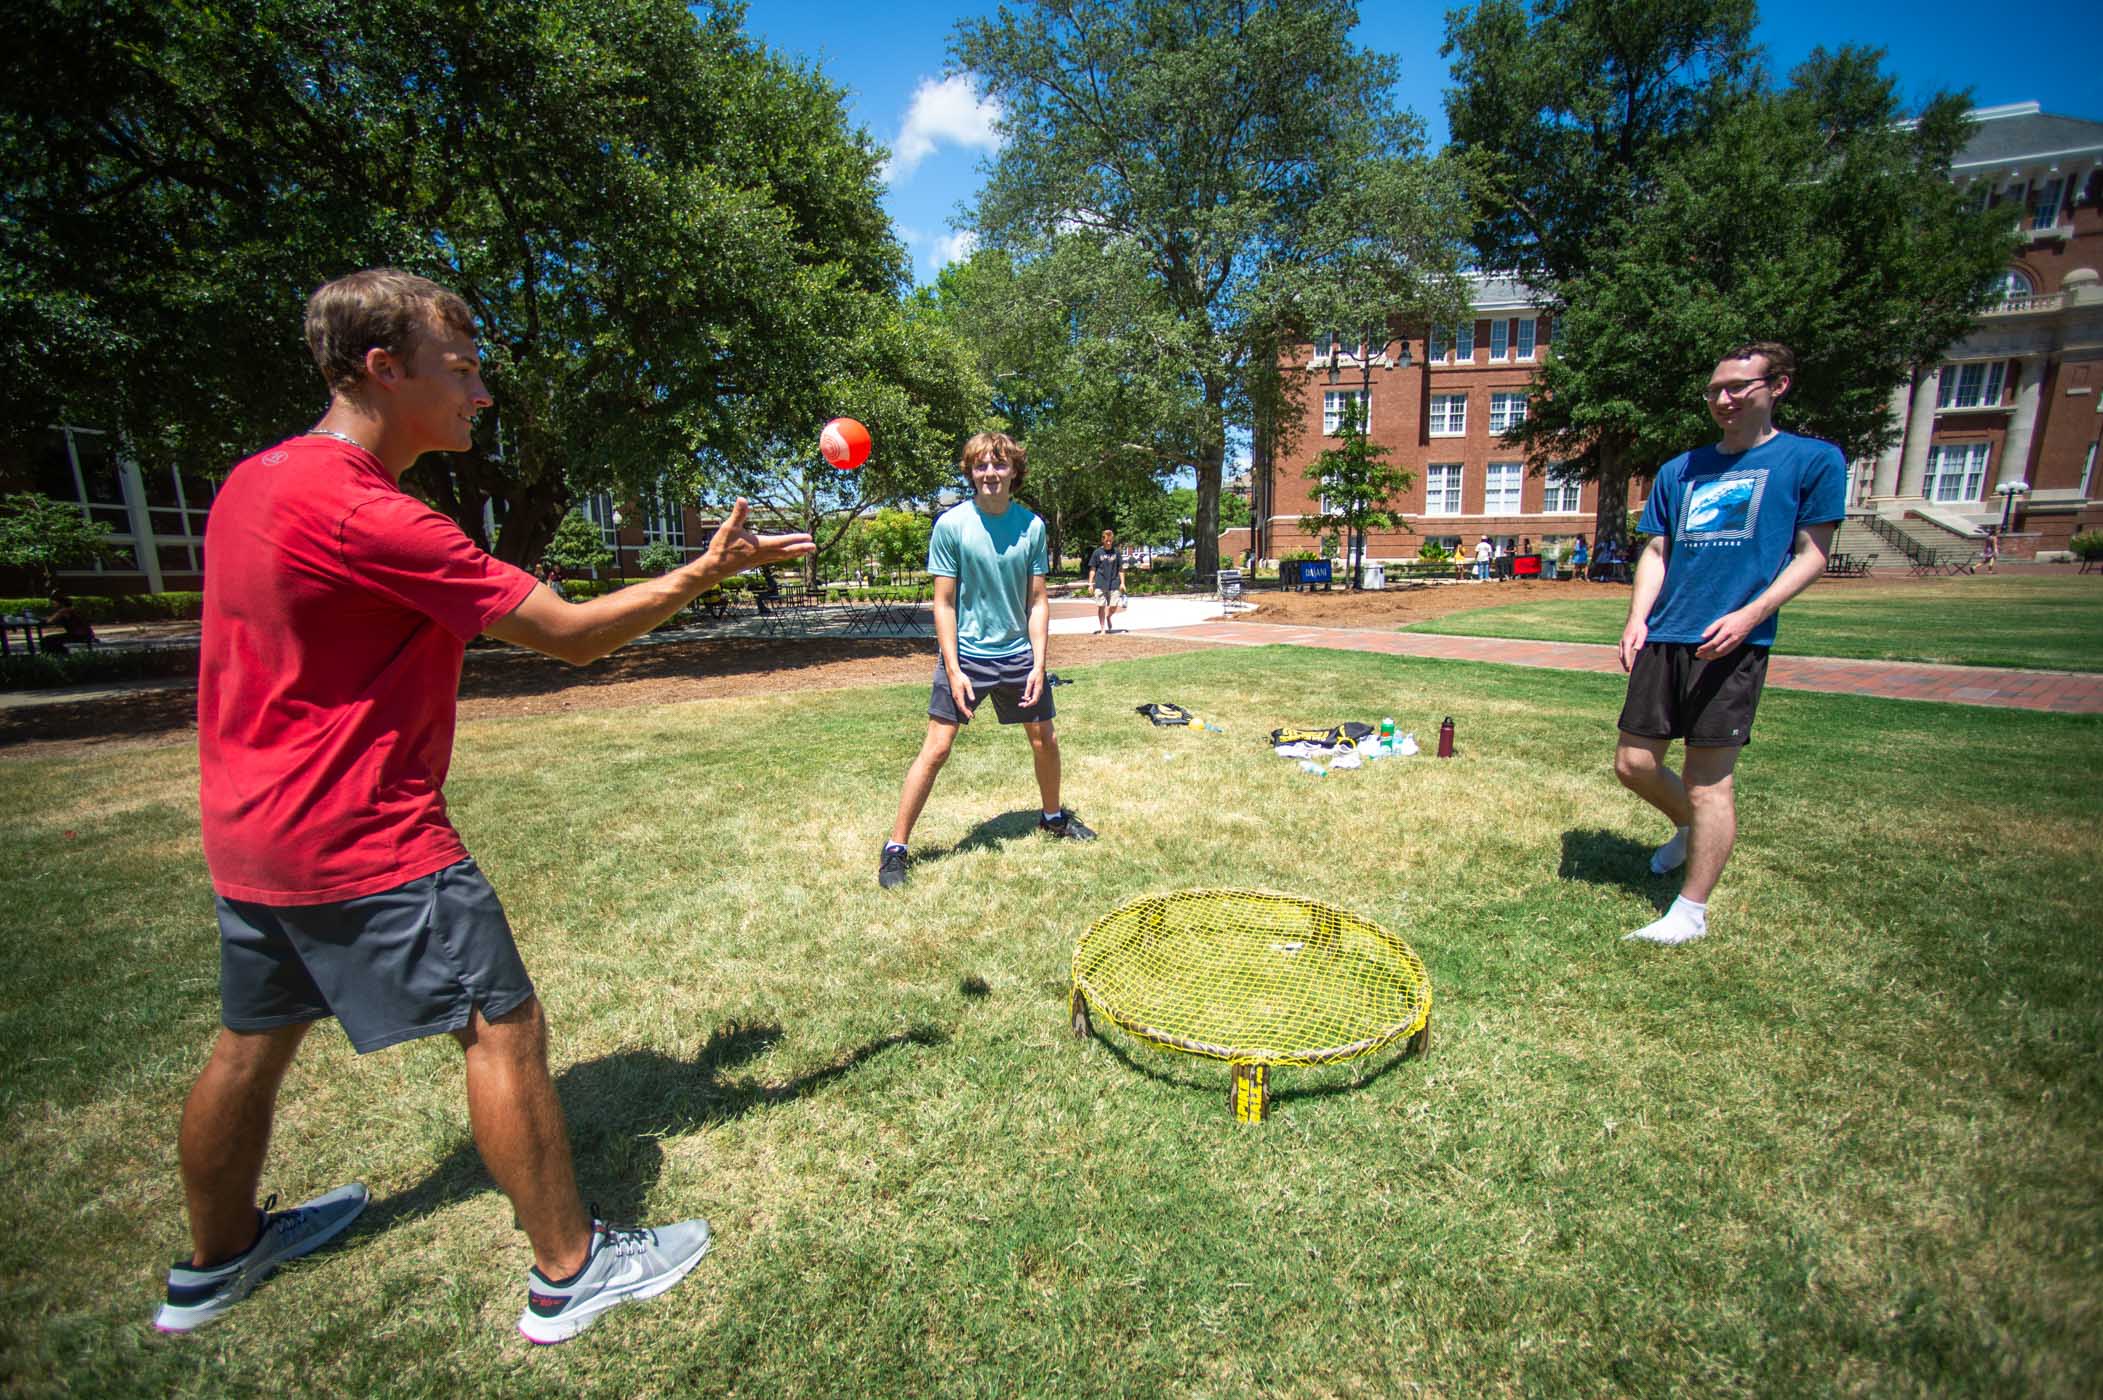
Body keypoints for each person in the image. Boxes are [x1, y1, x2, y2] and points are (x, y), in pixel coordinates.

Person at [163, 268, 813, 1343]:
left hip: (250, 829)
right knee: (500, 1022)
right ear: (383, 368)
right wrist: (704, 575)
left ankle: (215, 1260)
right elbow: (570, 632)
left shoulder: (256, 478)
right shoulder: (371, 510)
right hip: (360, 825)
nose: (482, 393)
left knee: (250, 1042)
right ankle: (570, 1270)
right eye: (460, 369)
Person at [1612, 341, 1843, 946]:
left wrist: (1753, 613)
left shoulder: (1811, 461)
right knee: (1634, 764)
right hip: (1666, 634)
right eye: (1715, 389)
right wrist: (1638, 618)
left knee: (1708, 779)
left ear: (1779, 386)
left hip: (1734, 641)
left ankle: (1689, 912)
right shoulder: (1680, 470)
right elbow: (1657, 551)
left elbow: (1813, 553)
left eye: (1738, 387)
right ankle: (1692, 831)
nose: (1724, 398)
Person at [879, 431, 1094, 889]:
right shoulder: (951, 525)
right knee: (936, 749)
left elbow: (1037, 601)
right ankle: (896, 847)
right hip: (968, 656)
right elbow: (945, 604)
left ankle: (1052, 819)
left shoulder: (1032, 526)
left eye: (999, 465)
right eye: (981, 466)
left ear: (1014, 471)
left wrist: (1038, 663)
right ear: (970, 472)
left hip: (1018, 653)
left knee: (1045, 740)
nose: (990, 474)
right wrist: (953, 669)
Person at [1087, 528, 1125, 634]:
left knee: (1114, 605)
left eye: (1110, 540)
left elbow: (1121, 569)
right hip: (1100, 583)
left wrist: (1122, 583)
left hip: (1114, 582)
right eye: (1107, 540)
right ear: (1103, 540)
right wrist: (1090, 583)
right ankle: (1103, 628)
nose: (1109, 542)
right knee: (1101, 606)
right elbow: (1093, 569)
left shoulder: (1116, 552)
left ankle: (1109, 616)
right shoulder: (1097, 552)